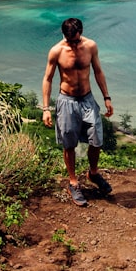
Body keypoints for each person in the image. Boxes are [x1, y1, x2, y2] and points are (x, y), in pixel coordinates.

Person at [42, 17, 114, 206]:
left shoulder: (90, 46)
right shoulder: (57, 50)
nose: (72, 44)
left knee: (96, 139)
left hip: (88, 99)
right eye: (68, 39)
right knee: (69, 143)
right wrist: (46, 109)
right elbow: (47, 79)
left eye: (75, 40)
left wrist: (107, 97)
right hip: (67, 101)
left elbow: (98, 71)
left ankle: (93, 173)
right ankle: (73, 182)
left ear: (80, 33)